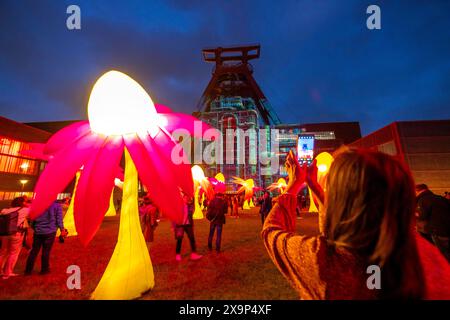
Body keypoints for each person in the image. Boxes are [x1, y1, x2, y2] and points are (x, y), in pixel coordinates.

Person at [262, 149, 450, 299]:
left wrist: (294, 184)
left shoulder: (327, 261)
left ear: (342, 202)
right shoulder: (425, 255)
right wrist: (313, 183)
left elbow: (271, 232)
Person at [25, 200, 66, 275]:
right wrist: (62, 229)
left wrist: (35, 228)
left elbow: (32, 219)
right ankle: (44, 270)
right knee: (46, 251)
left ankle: (28, 270)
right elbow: (59, 219)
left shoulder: (38, 205)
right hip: (50, 232)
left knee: (34, 251)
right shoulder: (57, 205)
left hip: (38, 231)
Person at [415, 184, 450, 261]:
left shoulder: (423, 200)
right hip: (447, 229)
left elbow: (421, 216)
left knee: (444, 255)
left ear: (417, 191)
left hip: (437, 231)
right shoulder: (439, 198)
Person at [0, 197, 30, 279]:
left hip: (4, 234)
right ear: (22, 203)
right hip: (16, 233)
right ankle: (7, 273)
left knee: (3, 252)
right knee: (13, 253)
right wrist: (28, 203)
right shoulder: (25, 210)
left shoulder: (4, 210)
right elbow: (33, 208)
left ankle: (0, 271)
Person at [173, 193, 202, 262]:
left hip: (188, 224)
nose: (187, 199)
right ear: (183, 198)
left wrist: (193, 200)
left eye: (188, 197)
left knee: (192, 238)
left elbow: (193, 210)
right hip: (180, 225)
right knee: (179, 239)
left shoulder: (190, 206)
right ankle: (178, 254)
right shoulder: (178, 205)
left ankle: (193, 254)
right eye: (185, 197)